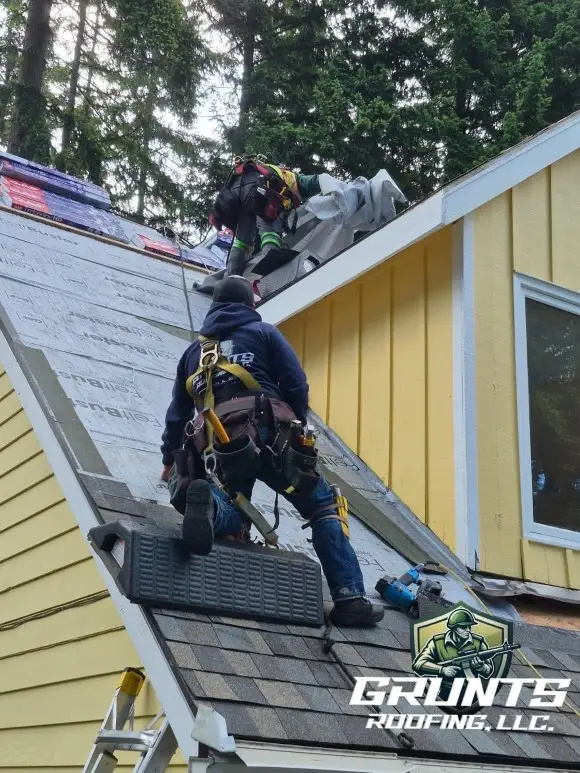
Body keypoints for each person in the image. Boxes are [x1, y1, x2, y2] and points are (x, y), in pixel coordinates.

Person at [161, 275, 385, 627]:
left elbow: (176, 417)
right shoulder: (263, 333)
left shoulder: (192, 354)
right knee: (323, 505)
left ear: (215, 308)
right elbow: (296, 383)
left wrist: (167, 460)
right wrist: (296, 424)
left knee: (236, 505)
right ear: (251, 306)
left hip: (220, 443)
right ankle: (350, 598)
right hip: (272, 432)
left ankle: (208, 508)